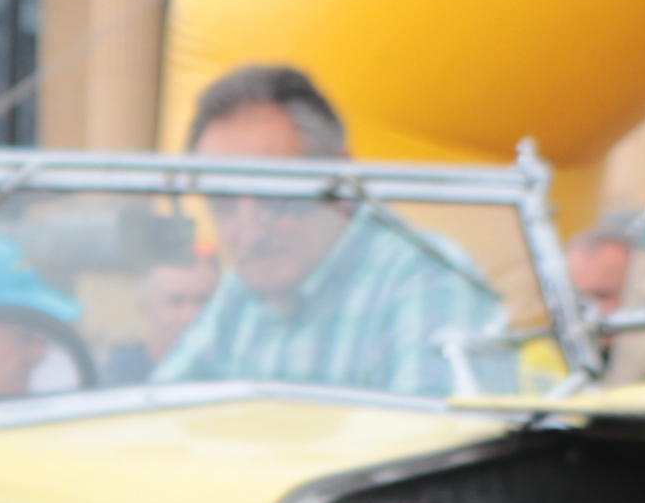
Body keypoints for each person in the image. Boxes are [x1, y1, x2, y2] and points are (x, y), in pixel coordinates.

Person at [145, 64, 495, 395]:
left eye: (276, 196)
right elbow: (159, 413)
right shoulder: (241, 292)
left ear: (341, 180)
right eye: (223, 205)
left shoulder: (425, 276)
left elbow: (434, 449)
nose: (250, 234)